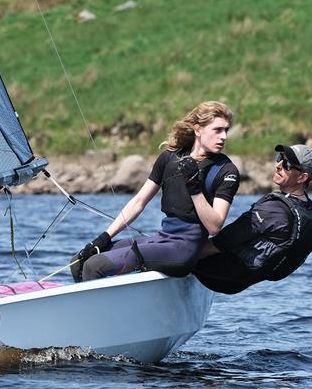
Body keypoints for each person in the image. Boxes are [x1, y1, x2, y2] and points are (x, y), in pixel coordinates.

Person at [71, 101, 240, 282]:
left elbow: (215, 226)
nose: (223, 137)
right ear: (198, 130)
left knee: (94, 266)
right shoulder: (169, 158)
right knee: (79, 262)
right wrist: (104, 237)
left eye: (226, 130)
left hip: (184, 249)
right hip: (163, 239)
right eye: (217, 130)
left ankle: (100, 310)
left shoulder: (227, 171)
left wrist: (194, 188)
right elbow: (139, 202)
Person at [192, 144, 312, 294]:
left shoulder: (274, 210)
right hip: (242, 281)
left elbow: (225, 240)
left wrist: (187, 256)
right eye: (280, 159)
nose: (278, 165)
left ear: (302, 177)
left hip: (216, 274)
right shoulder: (310, 213)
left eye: (287, 164)